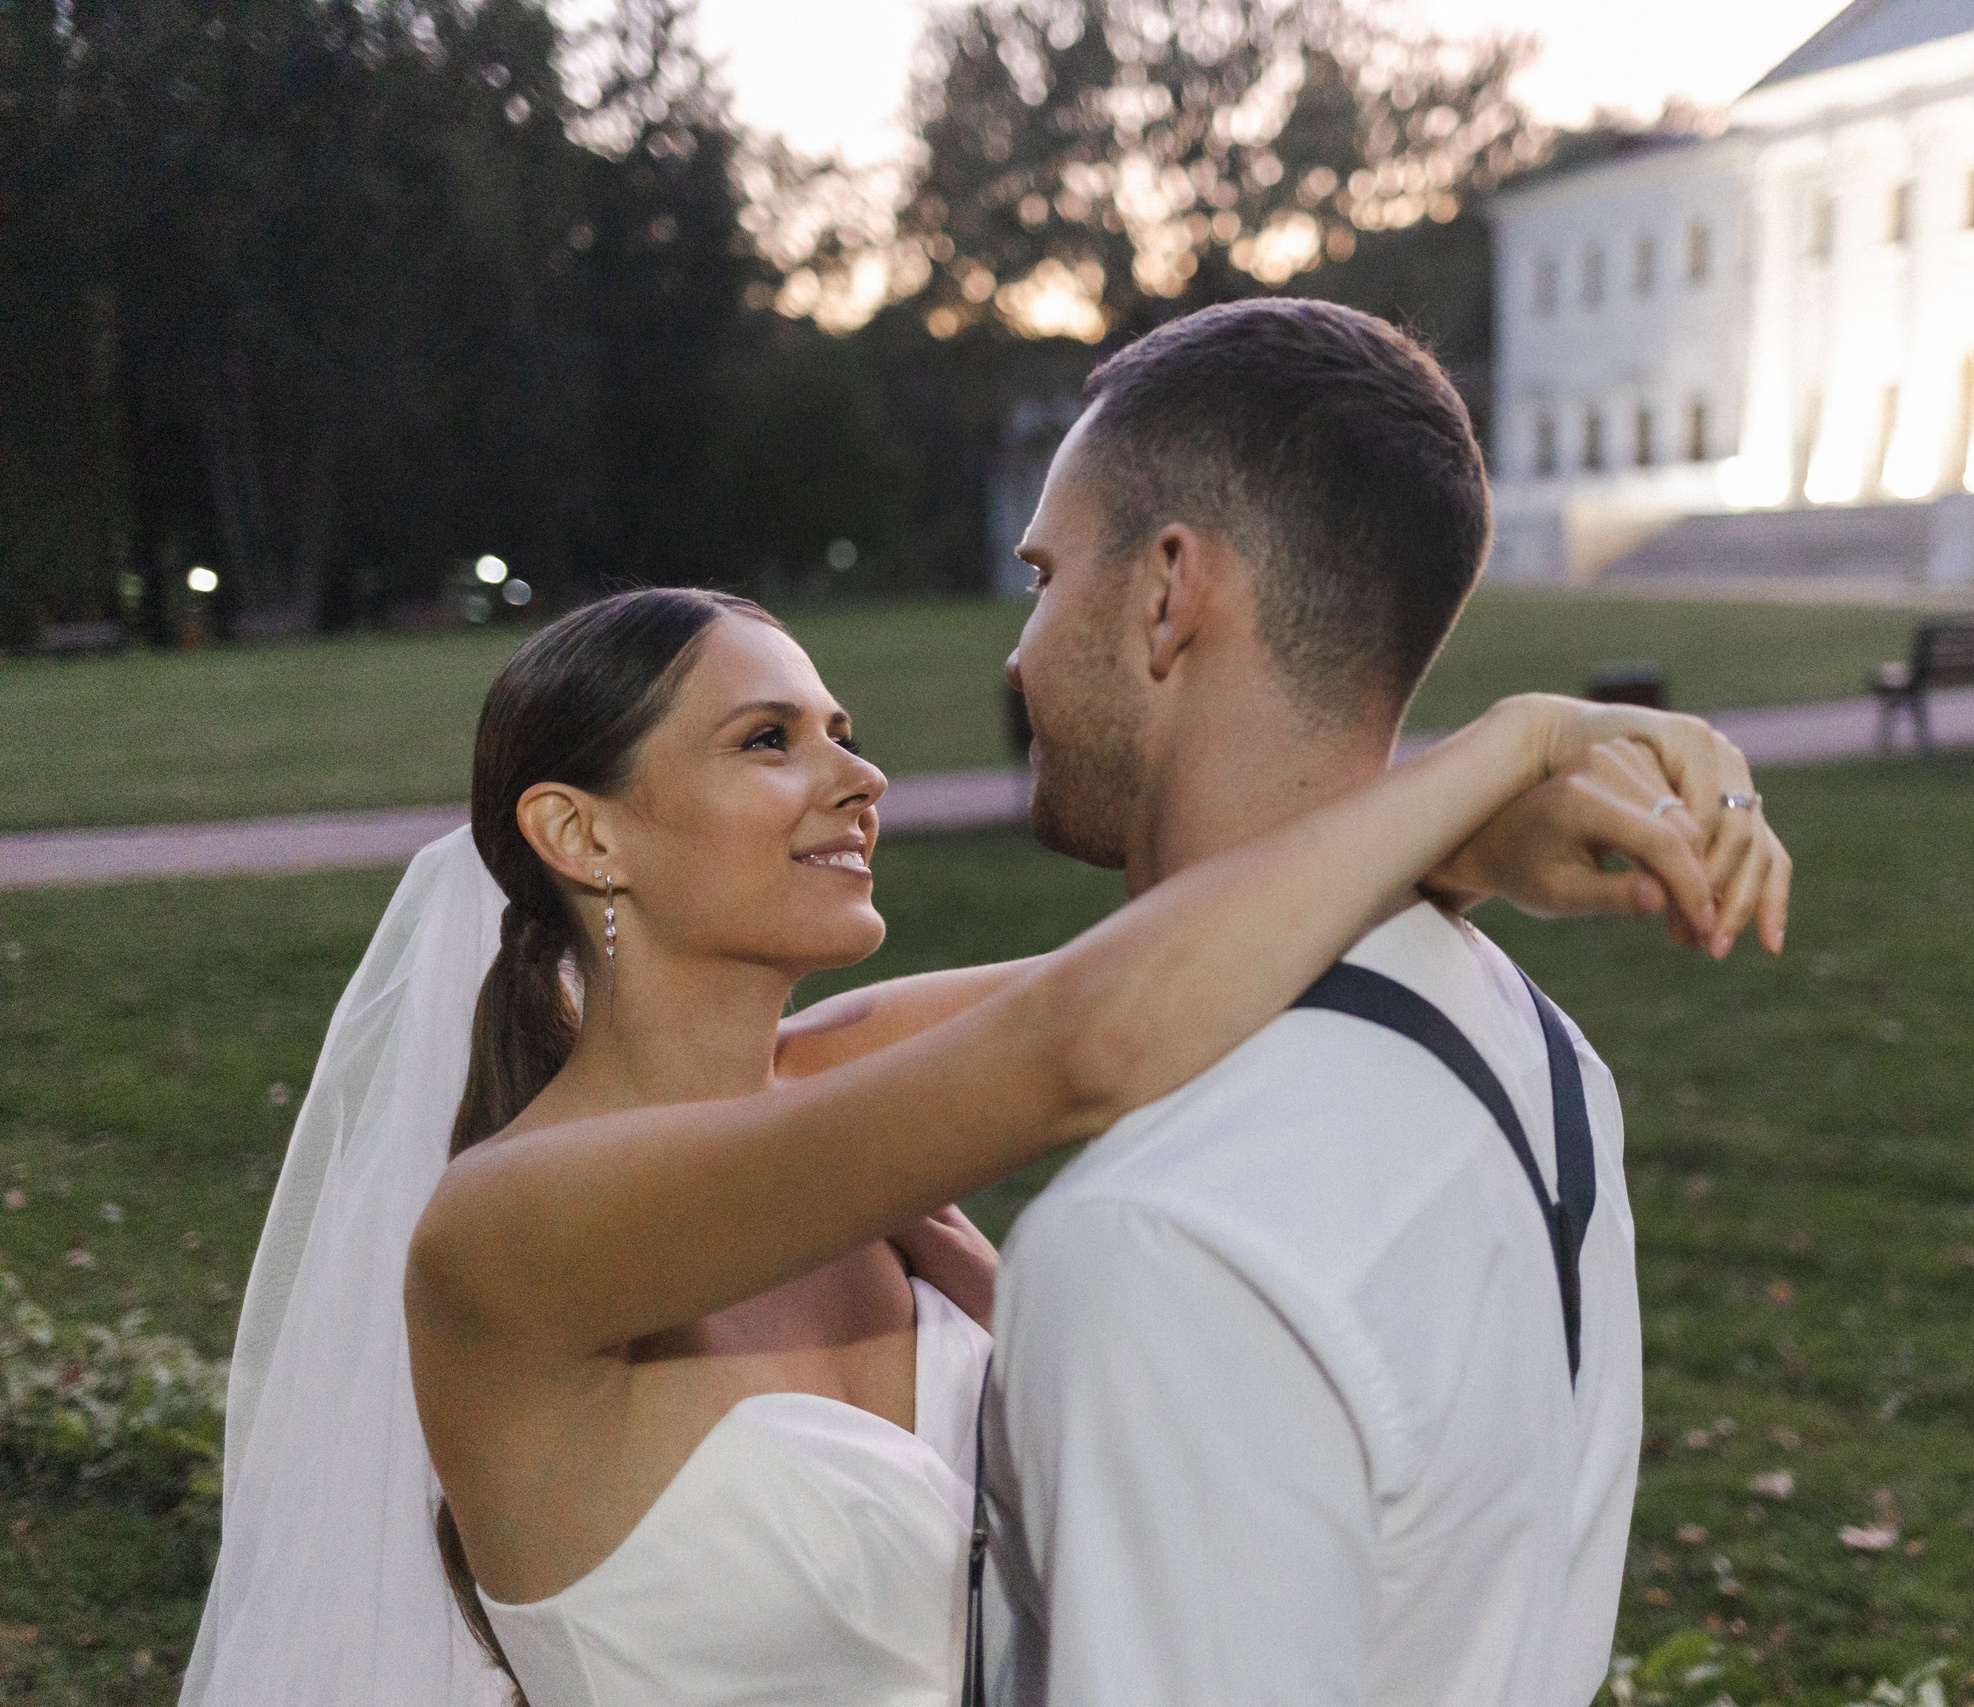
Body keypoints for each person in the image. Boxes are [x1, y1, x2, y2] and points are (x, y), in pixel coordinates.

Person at [181, 577, 1785, 1704]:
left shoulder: (838, 1096)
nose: (857, 778)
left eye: (842, 729)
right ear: (579, 831)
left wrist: (1478, 847)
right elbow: (1083, 1041)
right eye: (769, 743)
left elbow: (1199, 948)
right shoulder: (507, 1232)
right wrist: (1497, 750)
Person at [978, 299, 1786, 1707]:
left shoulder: (1157, 1242)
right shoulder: (1539, 1050)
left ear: (1168, 592)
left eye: (1044, 577)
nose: (1021, 651)